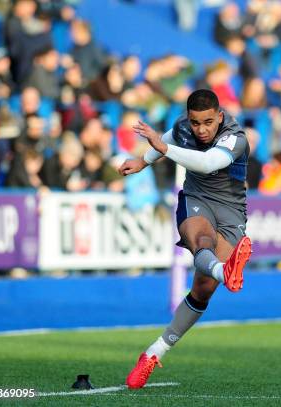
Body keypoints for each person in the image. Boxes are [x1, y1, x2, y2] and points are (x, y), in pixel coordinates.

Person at [118, 89, 252, 389]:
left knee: (202, 291)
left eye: (207, 122)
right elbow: (169, 136)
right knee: (201, 241)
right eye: (195, 123)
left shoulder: (235, 136)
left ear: (219, 116)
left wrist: (162, 150)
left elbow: (206, 163)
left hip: (231, 210)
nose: (201, 130)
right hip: (196, 198)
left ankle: (153, 352)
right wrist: (143, 161)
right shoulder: (182, 126)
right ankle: (223, 270)